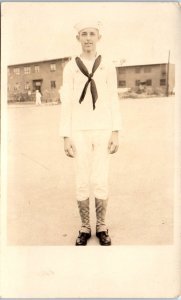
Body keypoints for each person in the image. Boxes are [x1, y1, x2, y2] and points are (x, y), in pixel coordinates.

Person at [59, 20, 122, 246]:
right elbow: (66, 102)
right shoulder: (71, 67)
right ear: (78, 38)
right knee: (82, 178)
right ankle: (85, 227)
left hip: (103, 128)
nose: (87, 38)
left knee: (100, 176)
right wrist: (66, 135)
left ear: (99, 37)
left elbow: (114, 98)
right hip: (79, 130)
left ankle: (102, 226)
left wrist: (116, 131)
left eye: (92, 34)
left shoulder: (108, 65)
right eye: (83, 34)